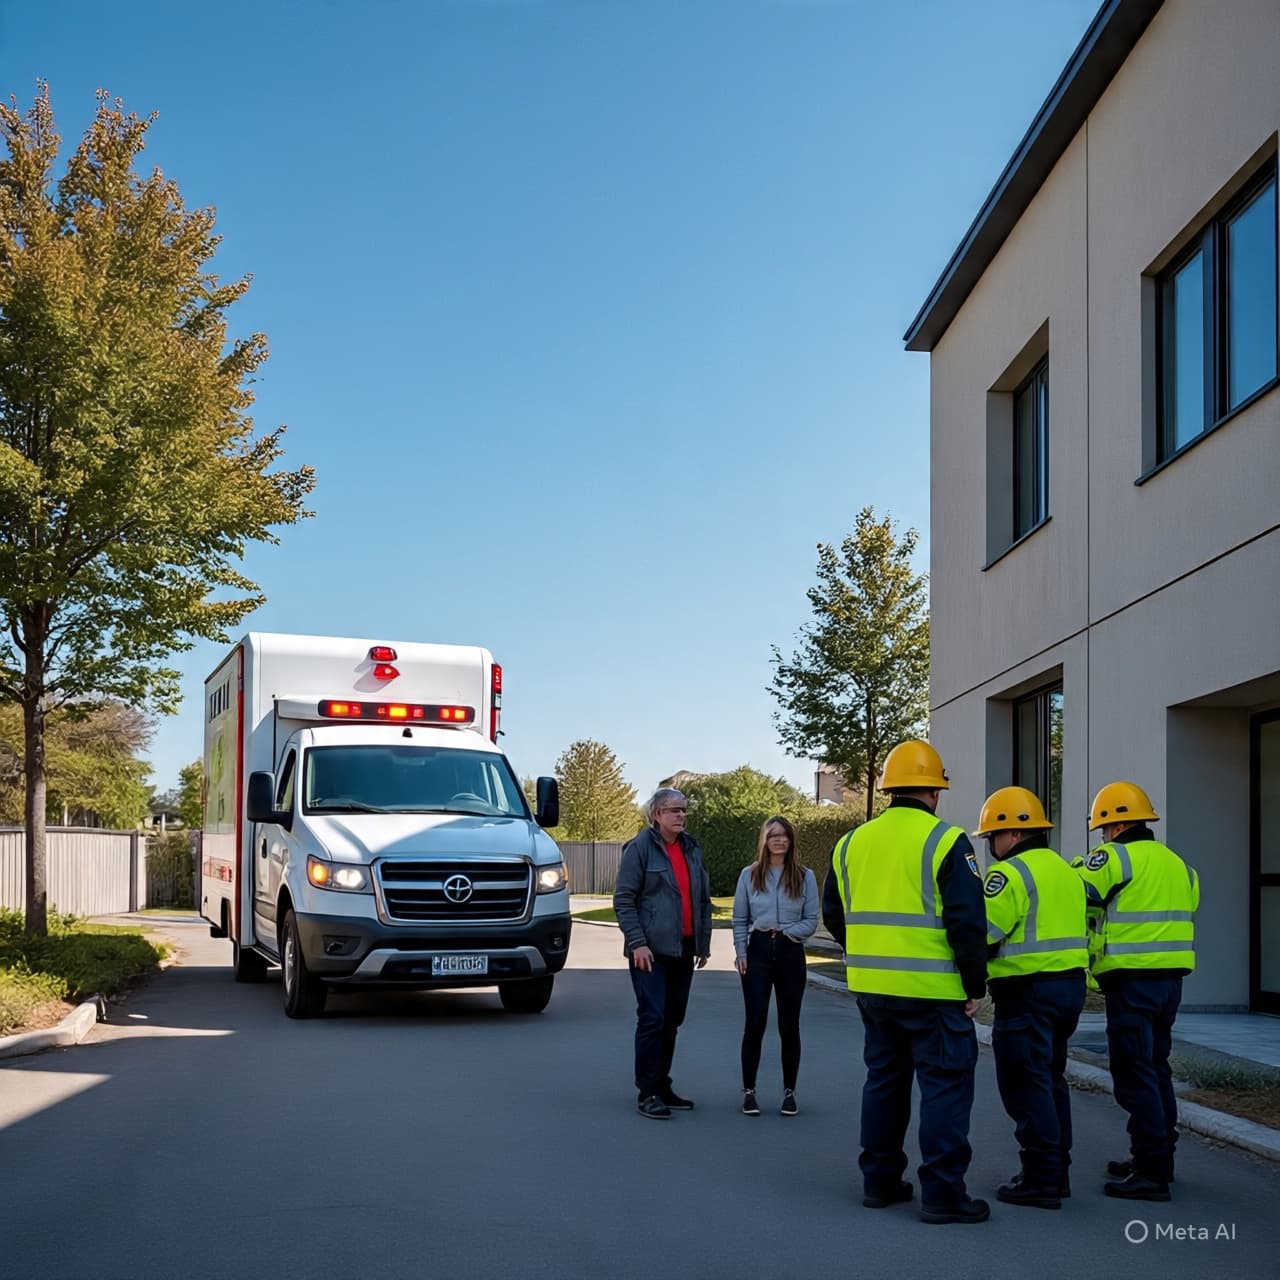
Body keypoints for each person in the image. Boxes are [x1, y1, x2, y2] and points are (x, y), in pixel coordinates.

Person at [822, 740, 989, 1225]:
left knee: (884, 1082)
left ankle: (880, 1182)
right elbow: (968, 923)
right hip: (934, 993)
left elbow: (835, 913)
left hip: (873, 989)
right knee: (944, 1088)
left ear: (889, 789)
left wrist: (869, 954)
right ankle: (942, 1194)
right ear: (935, 792)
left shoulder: (851, 843)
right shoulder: (946, 840)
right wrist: (973, 985)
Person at [1072, 781, 1198, 1202]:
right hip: (1170, 983)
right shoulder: (1177, 863)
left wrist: (1077, 870)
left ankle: (1151, 1171)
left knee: (1133, 1074)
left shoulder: (1113, 858)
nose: (1103, 837)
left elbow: (1079, 899)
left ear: (1118, 823)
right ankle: (1161, 1157)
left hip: (1132, 982)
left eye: (1104, 828)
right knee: (1156, 1067)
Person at [975, 786, 1088, 1210]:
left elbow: (983, 932)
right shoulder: (1065, 871)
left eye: (992, 837)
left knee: (1024, 1084)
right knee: (1050, 1079)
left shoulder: (1010, 876)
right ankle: (1056, 1172)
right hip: (1068, 990)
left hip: (1026, 994)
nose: (990, 846)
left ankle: (1040, 1179)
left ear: (1014, 834)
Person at [613, 787, 712, 1119]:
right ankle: (647, 1092)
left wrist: (703, 944)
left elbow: (702, 900)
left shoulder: (692, 850)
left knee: (672, 1019)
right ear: (656, 815)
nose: (681, 816)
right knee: (652, 1018)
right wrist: (638, 943)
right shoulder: (639, 849)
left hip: (683, 948)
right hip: (650, 951)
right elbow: (624, 900)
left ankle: (662, 1083)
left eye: (684, 810)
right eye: (674, 811)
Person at [732, 815, 818, 1117]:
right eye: (773, 836)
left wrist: (789, 933)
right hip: (757, 952)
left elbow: (811, 920)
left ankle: (789, 1092)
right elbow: (740, 919)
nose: (779, 840)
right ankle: (749, 1092)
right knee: (754, 1023)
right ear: (764, 841)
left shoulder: (804, 876)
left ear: (791, 840)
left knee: (789, 1025)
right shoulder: (750, 875)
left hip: (790, 952)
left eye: (783, 835)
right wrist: (740, 951)